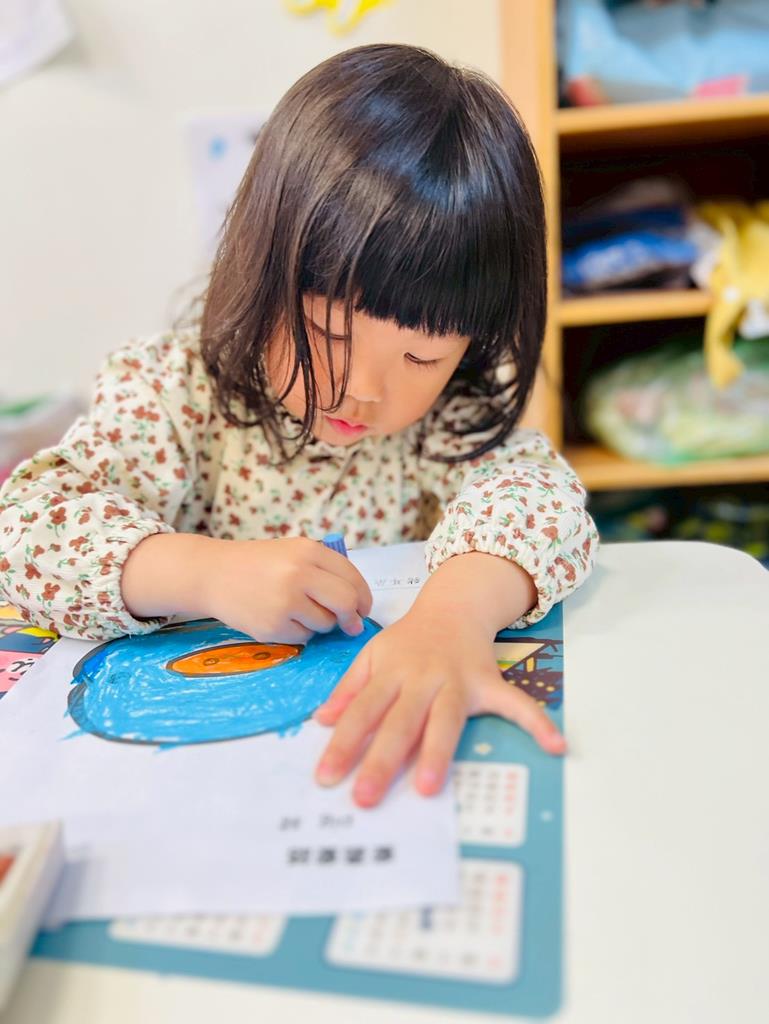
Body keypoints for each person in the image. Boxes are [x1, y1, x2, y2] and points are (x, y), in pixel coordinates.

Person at [0, 44, 598, 807]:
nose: (363, 390)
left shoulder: (446, 420)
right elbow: (31, 532)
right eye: (329, 335)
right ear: (259, 265)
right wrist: (203, 573)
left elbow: (539, 499)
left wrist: (454, 617)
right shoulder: (173, 391)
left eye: (421, 356)